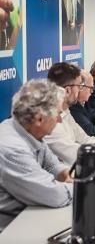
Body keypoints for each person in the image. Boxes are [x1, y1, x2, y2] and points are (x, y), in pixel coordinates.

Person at [0, 79, 72, 232]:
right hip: (11, 231)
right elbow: (56, 196)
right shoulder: (12, 149)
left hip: (31, 215)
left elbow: (51, 165)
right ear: (40, 118)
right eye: (58, 114)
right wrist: (82, 185)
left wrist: (65, 173)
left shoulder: (29, 130)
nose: (59, 119)